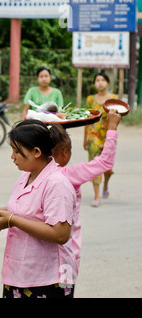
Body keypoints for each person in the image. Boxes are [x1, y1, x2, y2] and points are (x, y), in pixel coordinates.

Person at [0, 120, 77, 298]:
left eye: (17, 151)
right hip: (19, 274)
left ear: (36, 152)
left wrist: (12, 220)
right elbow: (19, 211)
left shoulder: (57, 184)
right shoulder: (26, 176)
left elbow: (60, 234)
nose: (12, 156)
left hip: (48, 279)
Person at [51, 110, 121, 271]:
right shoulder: (69, 175)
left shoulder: (33, 175)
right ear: (65, 153)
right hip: (66, 255)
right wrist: (111, 127)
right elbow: (105, 162)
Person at [84, 72, 117, 207]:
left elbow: (117, 119)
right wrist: (85, 138)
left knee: (108, 166)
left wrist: (113, 136)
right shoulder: (90, 99)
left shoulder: (114, 98)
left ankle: (106, 185)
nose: (100, 82)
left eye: (103, 80)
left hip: (107, 134)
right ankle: (97, 195)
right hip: (93, 135)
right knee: (95, 164)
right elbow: (87, 119)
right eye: (97, 80)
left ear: (108, 83)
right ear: (94, 83)